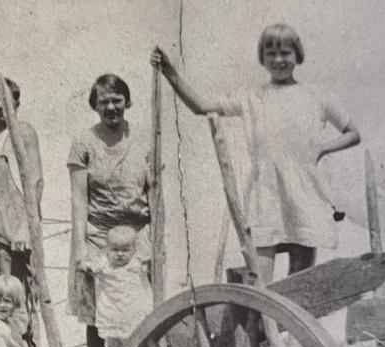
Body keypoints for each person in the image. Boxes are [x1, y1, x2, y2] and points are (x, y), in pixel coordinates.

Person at [153, 23, 360, 282]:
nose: (278, 60)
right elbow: (201, 106)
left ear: (298, 55)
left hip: (305, 191)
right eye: (270, 54)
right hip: (266, 192)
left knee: (302, 281)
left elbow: (353, 132)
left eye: (285, 52)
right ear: (262, 59)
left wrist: (322, 148)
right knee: (260, 279)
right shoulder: (252, 97)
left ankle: (290, 322)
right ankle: (259, 323)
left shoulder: (316, 96)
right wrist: (171, 74)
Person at [67, 73, 155, 347]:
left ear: (127, 102)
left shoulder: (144, 139)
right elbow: (79, 199)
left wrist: (155, 242)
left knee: (138, 303)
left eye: (117, 100)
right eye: (104, 101)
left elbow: (154, 193)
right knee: (96, 307)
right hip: (98, 233)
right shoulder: (83, 143)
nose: (111, 107)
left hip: (138, 232)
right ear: (95, 105)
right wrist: (81, 248)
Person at [0, 76, 43, 347]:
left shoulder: (23, 131)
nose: (0, 110)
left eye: (5, 104)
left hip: (17, 230)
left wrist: (26, 228)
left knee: (19, 299)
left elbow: (35, 180)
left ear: (16, 103)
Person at [83, 226, 153, 347]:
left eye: (125, 250)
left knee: (137, 340)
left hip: (133, 312)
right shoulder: (104, 263)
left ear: (133, 250)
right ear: (107, 250)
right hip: (113, 313)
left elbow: (150, 261)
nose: (120, 254)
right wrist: (85, 266)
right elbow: (88, 265)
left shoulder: (136, 263)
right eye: (115, 250)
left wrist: (148, 259)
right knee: (114, 345)